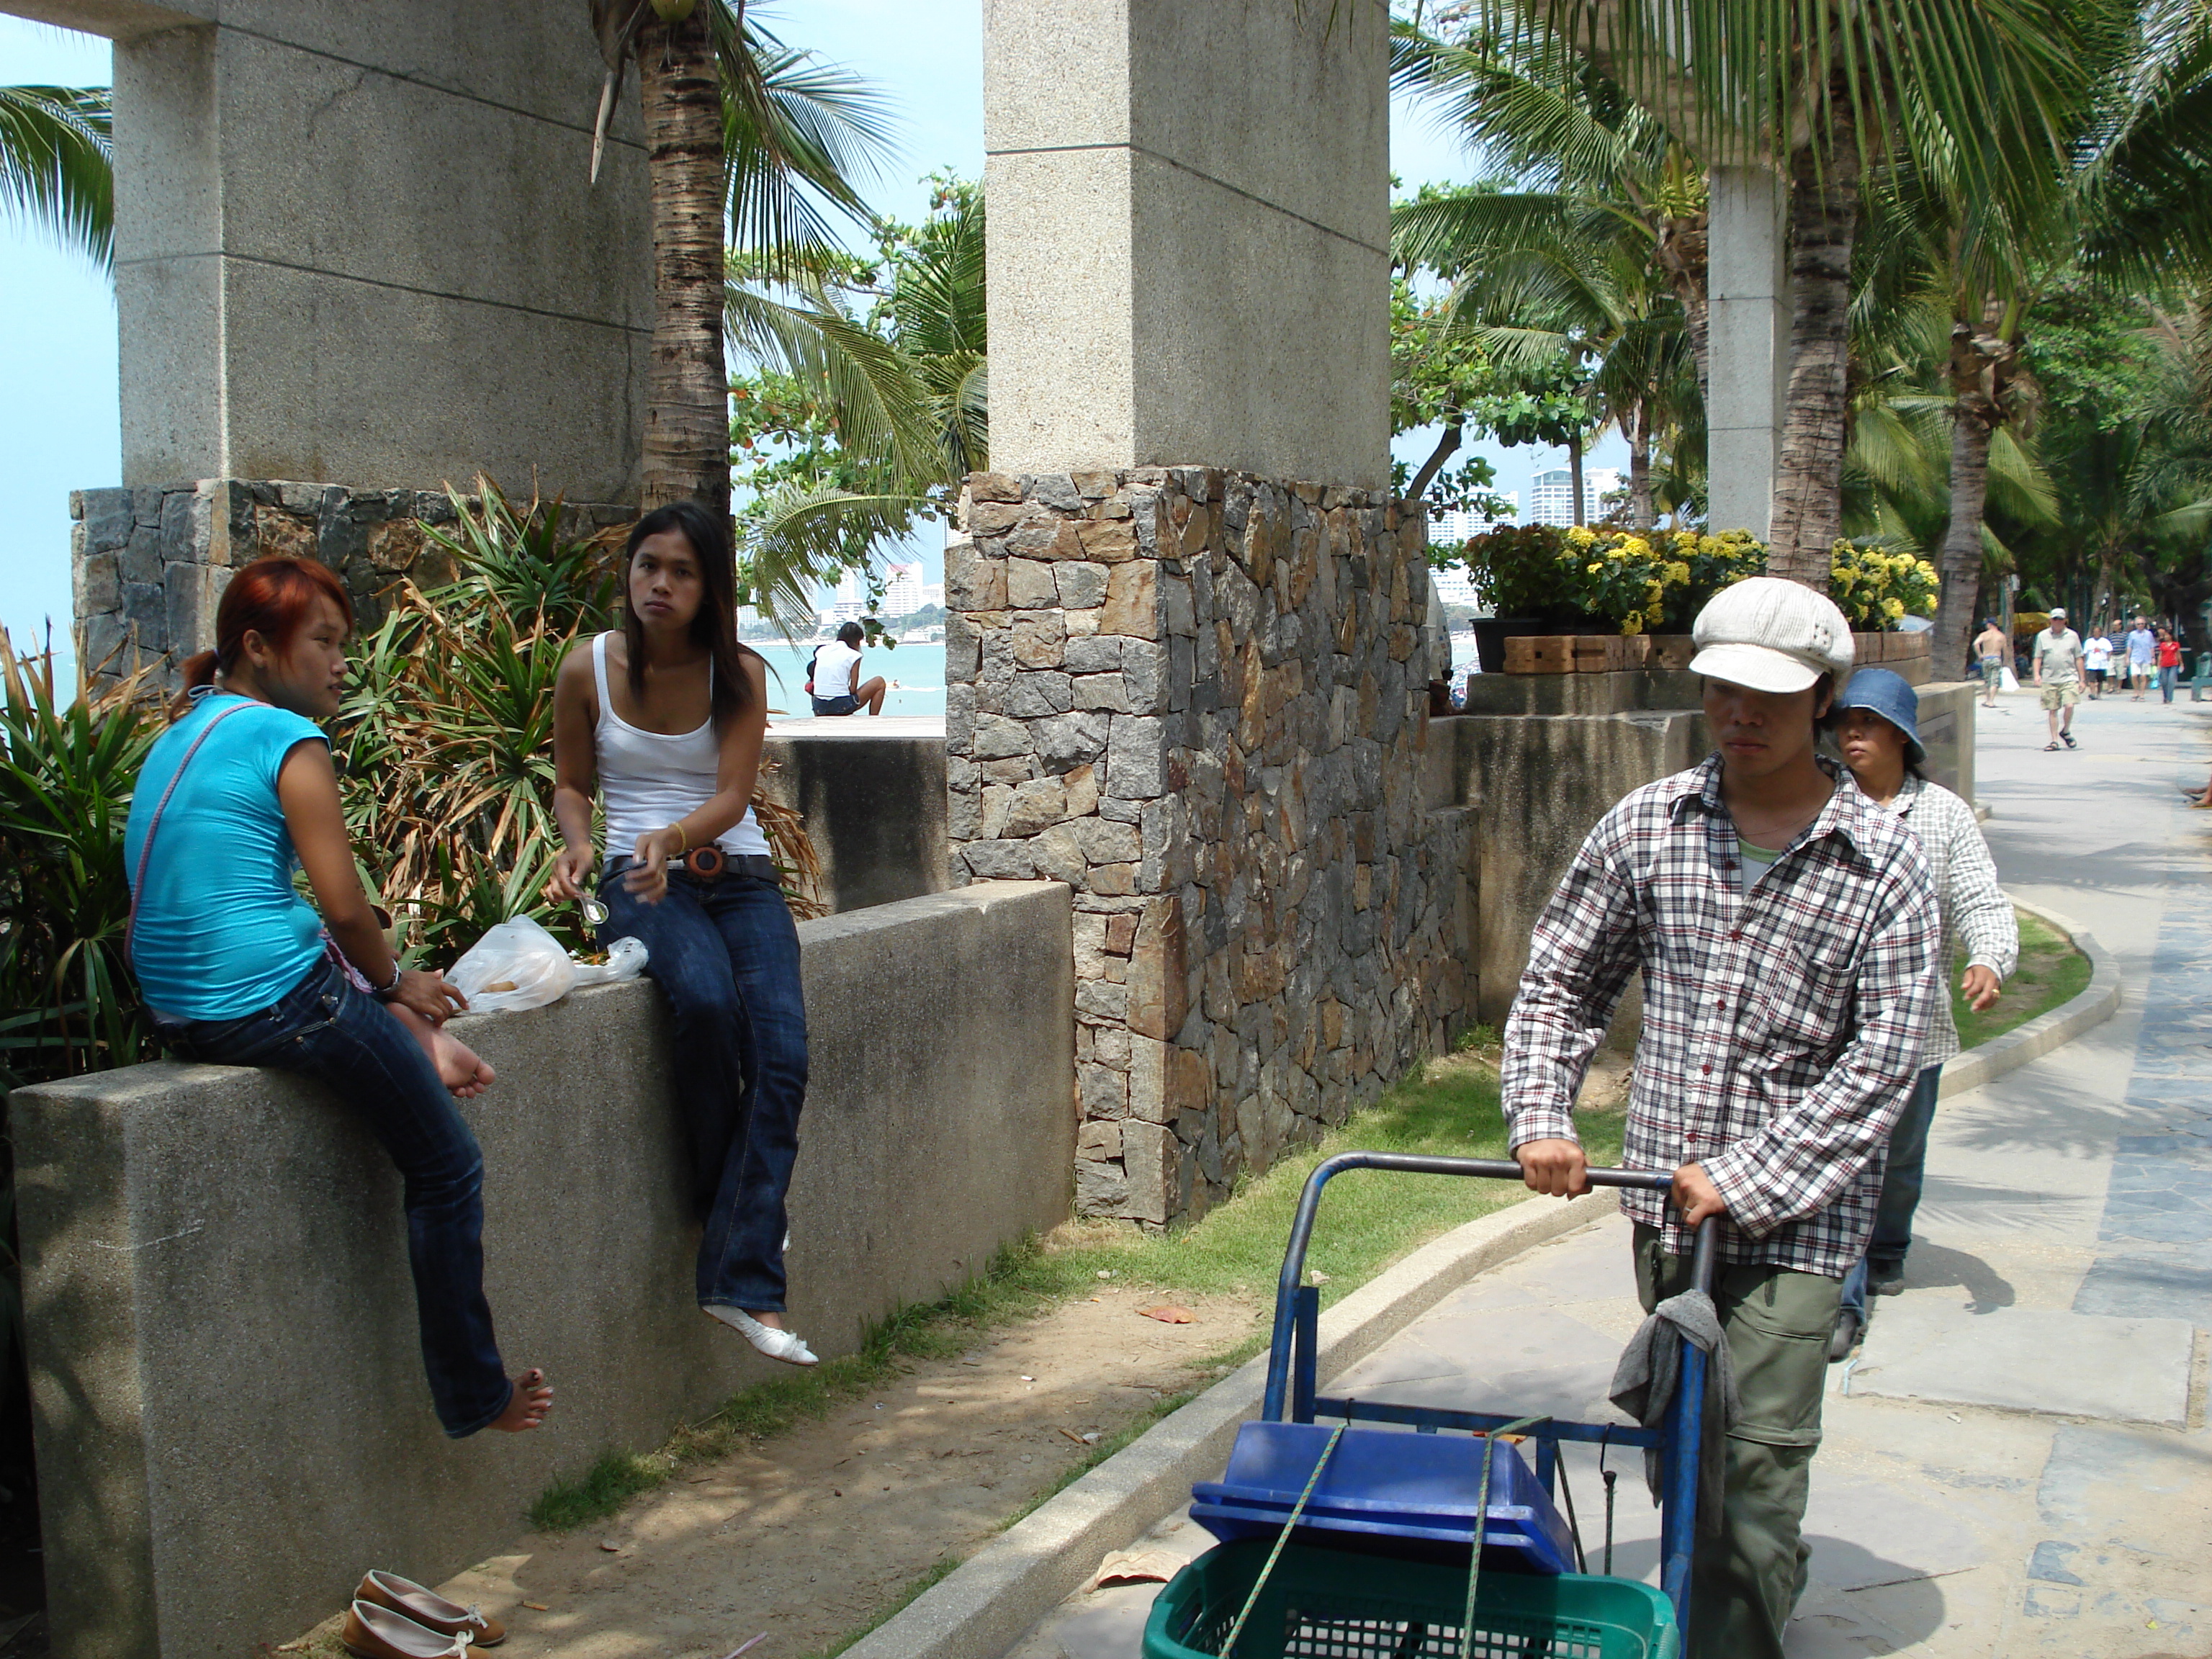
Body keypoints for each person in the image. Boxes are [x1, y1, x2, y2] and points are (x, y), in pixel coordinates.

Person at [1503, 577, 1940, 1659]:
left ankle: (1732, 1635)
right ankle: (1714, 1614)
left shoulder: (1882, 862)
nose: (1741, 715)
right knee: (1683, 1446)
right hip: (1665, 1217)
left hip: (1802, 1231)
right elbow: (1564, 980)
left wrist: (1749, 1177)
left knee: (1754, 1469)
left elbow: (1885, 1060)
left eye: (1771, 698)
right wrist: (1543, 1116)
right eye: (1722, 691)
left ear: (1827, 702)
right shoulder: (1648, 826)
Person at [125, 556, 551, 1439]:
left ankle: (408, 1037)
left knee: (358, 989)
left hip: (180, 1008)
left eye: (342, 644)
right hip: (273, 1001)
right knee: (448, 1166)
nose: (339, 662)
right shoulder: (288, 739)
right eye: (322, 641)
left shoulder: (182, 730)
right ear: (256, 646)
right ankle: (477, 1397)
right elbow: (346, 908)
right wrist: (401, 984)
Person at [549, 500, 818, 1366]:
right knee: (702, 1003)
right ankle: (741, 1240)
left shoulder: (736, 672)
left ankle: (739, 1280)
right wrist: (582, 844)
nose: (660, 584)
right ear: (629, 575)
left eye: (682, 571)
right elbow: (571, 782)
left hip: (734, 877)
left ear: (709, 588)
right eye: (647, 566)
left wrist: (674, 838)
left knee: (782, 1053)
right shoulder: (585, 668)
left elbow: (735, 800)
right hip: (639, 883)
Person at [1822, 670, 2018, 1359]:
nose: (1853, 736)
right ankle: (1841, 1301)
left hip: (1916, 1026)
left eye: (1869, 724)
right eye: (1845, 722)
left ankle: (1887, 1251)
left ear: (1902, 735)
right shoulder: (1819, 805)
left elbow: (1980, 898)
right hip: (1827, 1029)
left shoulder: (1943, 815)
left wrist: (1989, 959)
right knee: (1846, 1163)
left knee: (1899, 1161)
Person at [809, 621, 887, 717]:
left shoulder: (822, 650)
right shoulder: (854, 655)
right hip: (840, 707)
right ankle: (873, 718)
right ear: (856, 640)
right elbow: (853, 689)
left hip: (819, 706)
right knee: (879, 682)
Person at [2033, 609, 2083, 750]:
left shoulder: (2072, 636)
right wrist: (2037, 675)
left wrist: (2082, 679)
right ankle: (2054, 740)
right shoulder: (2043, 636)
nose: (2058, 622)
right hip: (2050, 677)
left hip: (2069, 676)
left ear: (2065, 620)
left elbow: (2079, 657)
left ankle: (2066, 730)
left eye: (2060, 619)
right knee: (2053, 709)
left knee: (2070, 705)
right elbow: (2038, 657)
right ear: (2050, 620)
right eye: (2055, 619)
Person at [1973, 617, 2010, 708]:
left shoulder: (1984, 635)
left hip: (1986, 658)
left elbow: (1976, 644)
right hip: (1996, 658)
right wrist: (2005, 661)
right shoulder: (2001, 636)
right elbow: (2005, 650)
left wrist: (1980, 655)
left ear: (1990, 625)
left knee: (1987, 680)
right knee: (1995, 681)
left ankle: (1987, 700)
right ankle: (1991, 701)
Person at [2126, 615, 2157, 700]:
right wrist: (2127, 658)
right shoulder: (2132, 634)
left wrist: (2153, 657)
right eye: (2139, 624)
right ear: (2136, 625)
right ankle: (2136, 691)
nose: (2140, 625)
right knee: (2134, 676)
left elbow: (2152, 646)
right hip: (2135, 657)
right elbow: (2129, 646)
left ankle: (2142, 694)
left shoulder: (2149, 634)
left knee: (2144, 677)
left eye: (2142, 624)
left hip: (2146, 658)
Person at [2083, 627, 2112, 699]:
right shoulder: (2089, 642)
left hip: (2102, 664)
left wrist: (2108, 657)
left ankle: (2098, 694)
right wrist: (2084, 661)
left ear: (2100, 632)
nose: (2096, 633)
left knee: (2100, 681)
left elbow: (2110, 650)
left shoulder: (2105, 641)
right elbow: (2085, 652)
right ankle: (2093, 693)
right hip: (2091, 663)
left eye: (2098, 632)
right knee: (2092, 680)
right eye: (2095, 632)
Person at [2157, 627, 2182, 703]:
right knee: (2164, 682)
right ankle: (2165, 697)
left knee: (2171, 681)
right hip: (2164, 664)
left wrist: (2181, 663)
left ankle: (2170, 698)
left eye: (2167, 635)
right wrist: (2159, 664)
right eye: (2165, 636)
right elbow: (2160, 655)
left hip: (2173, 664)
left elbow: (2178, 654)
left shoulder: (2176, 644)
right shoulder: (2163, 645)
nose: (2166, 637)